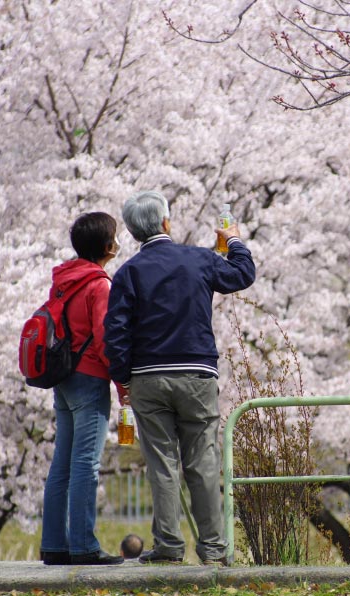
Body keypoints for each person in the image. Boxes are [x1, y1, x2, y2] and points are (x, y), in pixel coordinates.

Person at [104, 191, 255, 566]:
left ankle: (169, 546)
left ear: (134, 232)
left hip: (148, 378)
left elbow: (116, 333)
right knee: (202, 461)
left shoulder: (127, 274)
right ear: (166, 223)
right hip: (197, 373)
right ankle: (215, 549)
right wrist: (233, 239)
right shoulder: (199, 259)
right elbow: (242, 274)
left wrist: (123, 380)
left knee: (161, 462)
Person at [40, 212, 125, 566]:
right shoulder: (99, 285)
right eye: (115, 236)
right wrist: (123, 385)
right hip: (90, 379)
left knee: (62, 464)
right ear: (107, 246)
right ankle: (83, 546)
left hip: (63, 379)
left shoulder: (63, 280)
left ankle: (54, 544)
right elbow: (106, 341)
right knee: (86, 465)